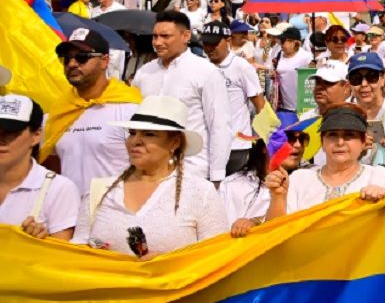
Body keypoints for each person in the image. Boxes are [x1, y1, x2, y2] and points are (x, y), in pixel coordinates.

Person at [73, 96, 229, 255]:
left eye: (149, 134)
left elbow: (217, 257)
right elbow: (77, 251)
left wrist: (162, 267)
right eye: (132, 133)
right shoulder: (100, 191)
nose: (135, 141)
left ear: (174, 143)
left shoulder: (200, 192)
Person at [132, 11, 232, 182]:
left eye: (165, 36)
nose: (157, 42)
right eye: (154, 36)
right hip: (149, 171)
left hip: (192, 170)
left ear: (186, 36)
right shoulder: (144, 73)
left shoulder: (206, 72)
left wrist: (216, 176)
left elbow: (220, 126)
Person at [40, 28, 142, 196]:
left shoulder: (129, 110)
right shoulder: (58, 112)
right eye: (66, 59)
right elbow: (53, 167)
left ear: (104, 61)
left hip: (116, 213)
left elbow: (148, 168)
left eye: (82, 57)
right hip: (70, 215)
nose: (72, 64)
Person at [264, 104, 385, 217]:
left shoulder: (378, 176)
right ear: (322, 141)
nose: (340, 142)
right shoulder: (300, 179)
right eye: (332, 135)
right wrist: (278, 197)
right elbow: (276, 232)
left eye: (349, 135)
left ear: (363, 142)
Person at [0, 94, 80, 241]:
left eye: (11, 132)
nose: (1, 139)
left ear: (36, 135)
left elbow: (61, 256)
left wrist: (40, 242)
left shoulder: (58, 189)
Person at [200, 22, 265, 177]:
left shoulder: (241, 67)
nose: (209, 48)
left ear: (227, 40)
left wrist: (267, 141)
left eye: (214, 44)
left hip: (235, 146)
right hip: (207, 145)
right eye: (205, 44)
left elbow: (260, 104)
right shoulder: (201, 67)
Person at [222, 142, 272, 238]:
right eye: (288, 139)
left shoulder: (304, 182)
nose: (297, 145)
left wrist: (256, 222)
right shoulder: (230, 184)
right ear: (265, 147)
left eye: (302, 139)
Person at [271, 26, 312, 124]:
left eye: (283, 41)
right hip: (283, 107)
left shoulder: (306, 57)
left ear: (293, 42)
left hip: (303, 108)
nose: (281, 44)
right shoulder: (279, 54)